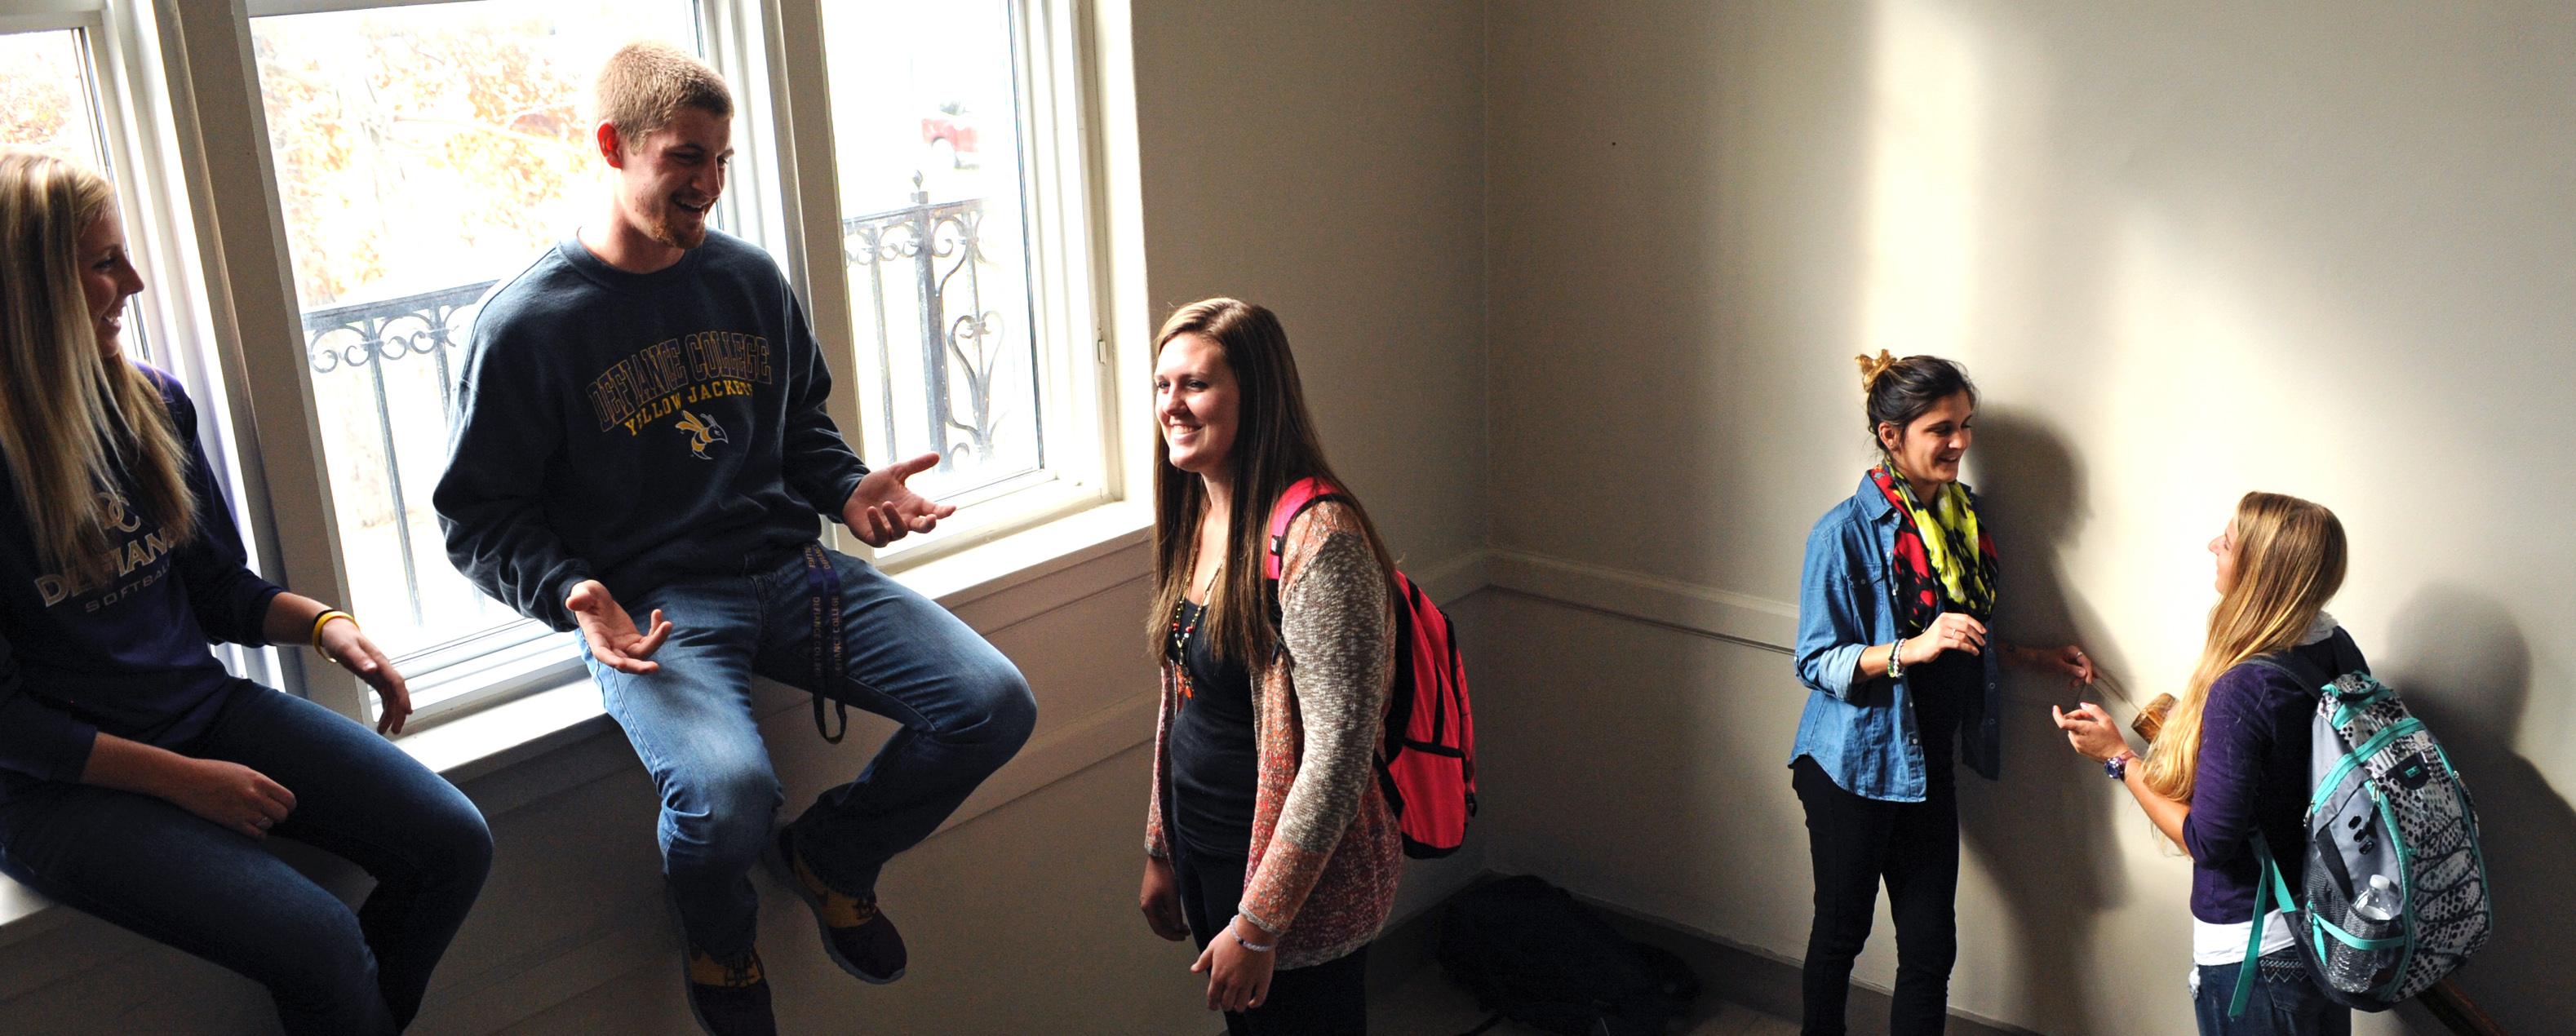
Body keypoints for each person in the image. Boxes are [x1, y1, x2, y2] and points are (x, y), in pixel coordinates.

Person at [431, 42, 1035, 1036]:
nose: (708, 186)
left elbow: (800, 429)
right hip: (660, 611)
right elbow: (478, 516)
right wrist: (571, 591)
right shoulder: (528, 326)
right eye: (684, 159)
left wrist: (848, 490)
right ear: (612, 146)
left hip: (794, 571)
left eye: (722, 162)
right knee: (725, 794)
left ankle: (832, 854)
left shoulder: (749, 280)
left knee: (993, 705)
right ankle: (717, 934)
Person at [0, 147, 491, 1034]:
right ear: (31, 288)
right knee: (321, 942)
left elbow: (217, 589)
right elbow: (8, 723)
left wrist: (326, 625)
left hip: (199, 711)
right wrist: (184, 782)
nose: (137, 281)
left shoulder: (150, 403)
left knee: (453, 843)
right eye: (105, 263)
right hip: (52, 788)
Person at [1789, 352, 2094, 1036]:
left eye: (1964, 425)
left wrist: (2035, 656)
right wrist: (1909, 647)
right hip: (1851, 769)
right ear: (1890, 436)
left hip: (1925, 767)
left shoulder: (1965, 520)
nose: (1959, 443)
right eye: (1940, 429)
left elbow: (1965, 637)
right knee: (1841, 937)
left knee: (1930, 949)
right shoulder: (1842, 533)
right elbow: (1814, 661)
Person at [1134, 299, 1402, 1035]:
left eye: (1195, 385)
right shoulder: (1198, 510)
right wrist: (1163, 846)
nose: (1172, 406)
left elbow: (1338, 759)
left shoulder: (1321, 541)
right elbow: (1180, 695)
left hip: (1293, 881)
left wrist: (1258, 923)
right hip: (1209, 850)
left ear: (1257, 395)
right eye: (1162, 385)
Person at [2053, 493, 2357, 1036]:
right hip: (2322, 928)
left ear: (2259, 571)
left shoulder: (2243, 686)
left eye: (2228, 541)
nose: (2212, 546)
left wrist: (2119, 759)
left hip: (2256, 951)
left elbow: (2208, 843)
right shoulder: (2333, 645)